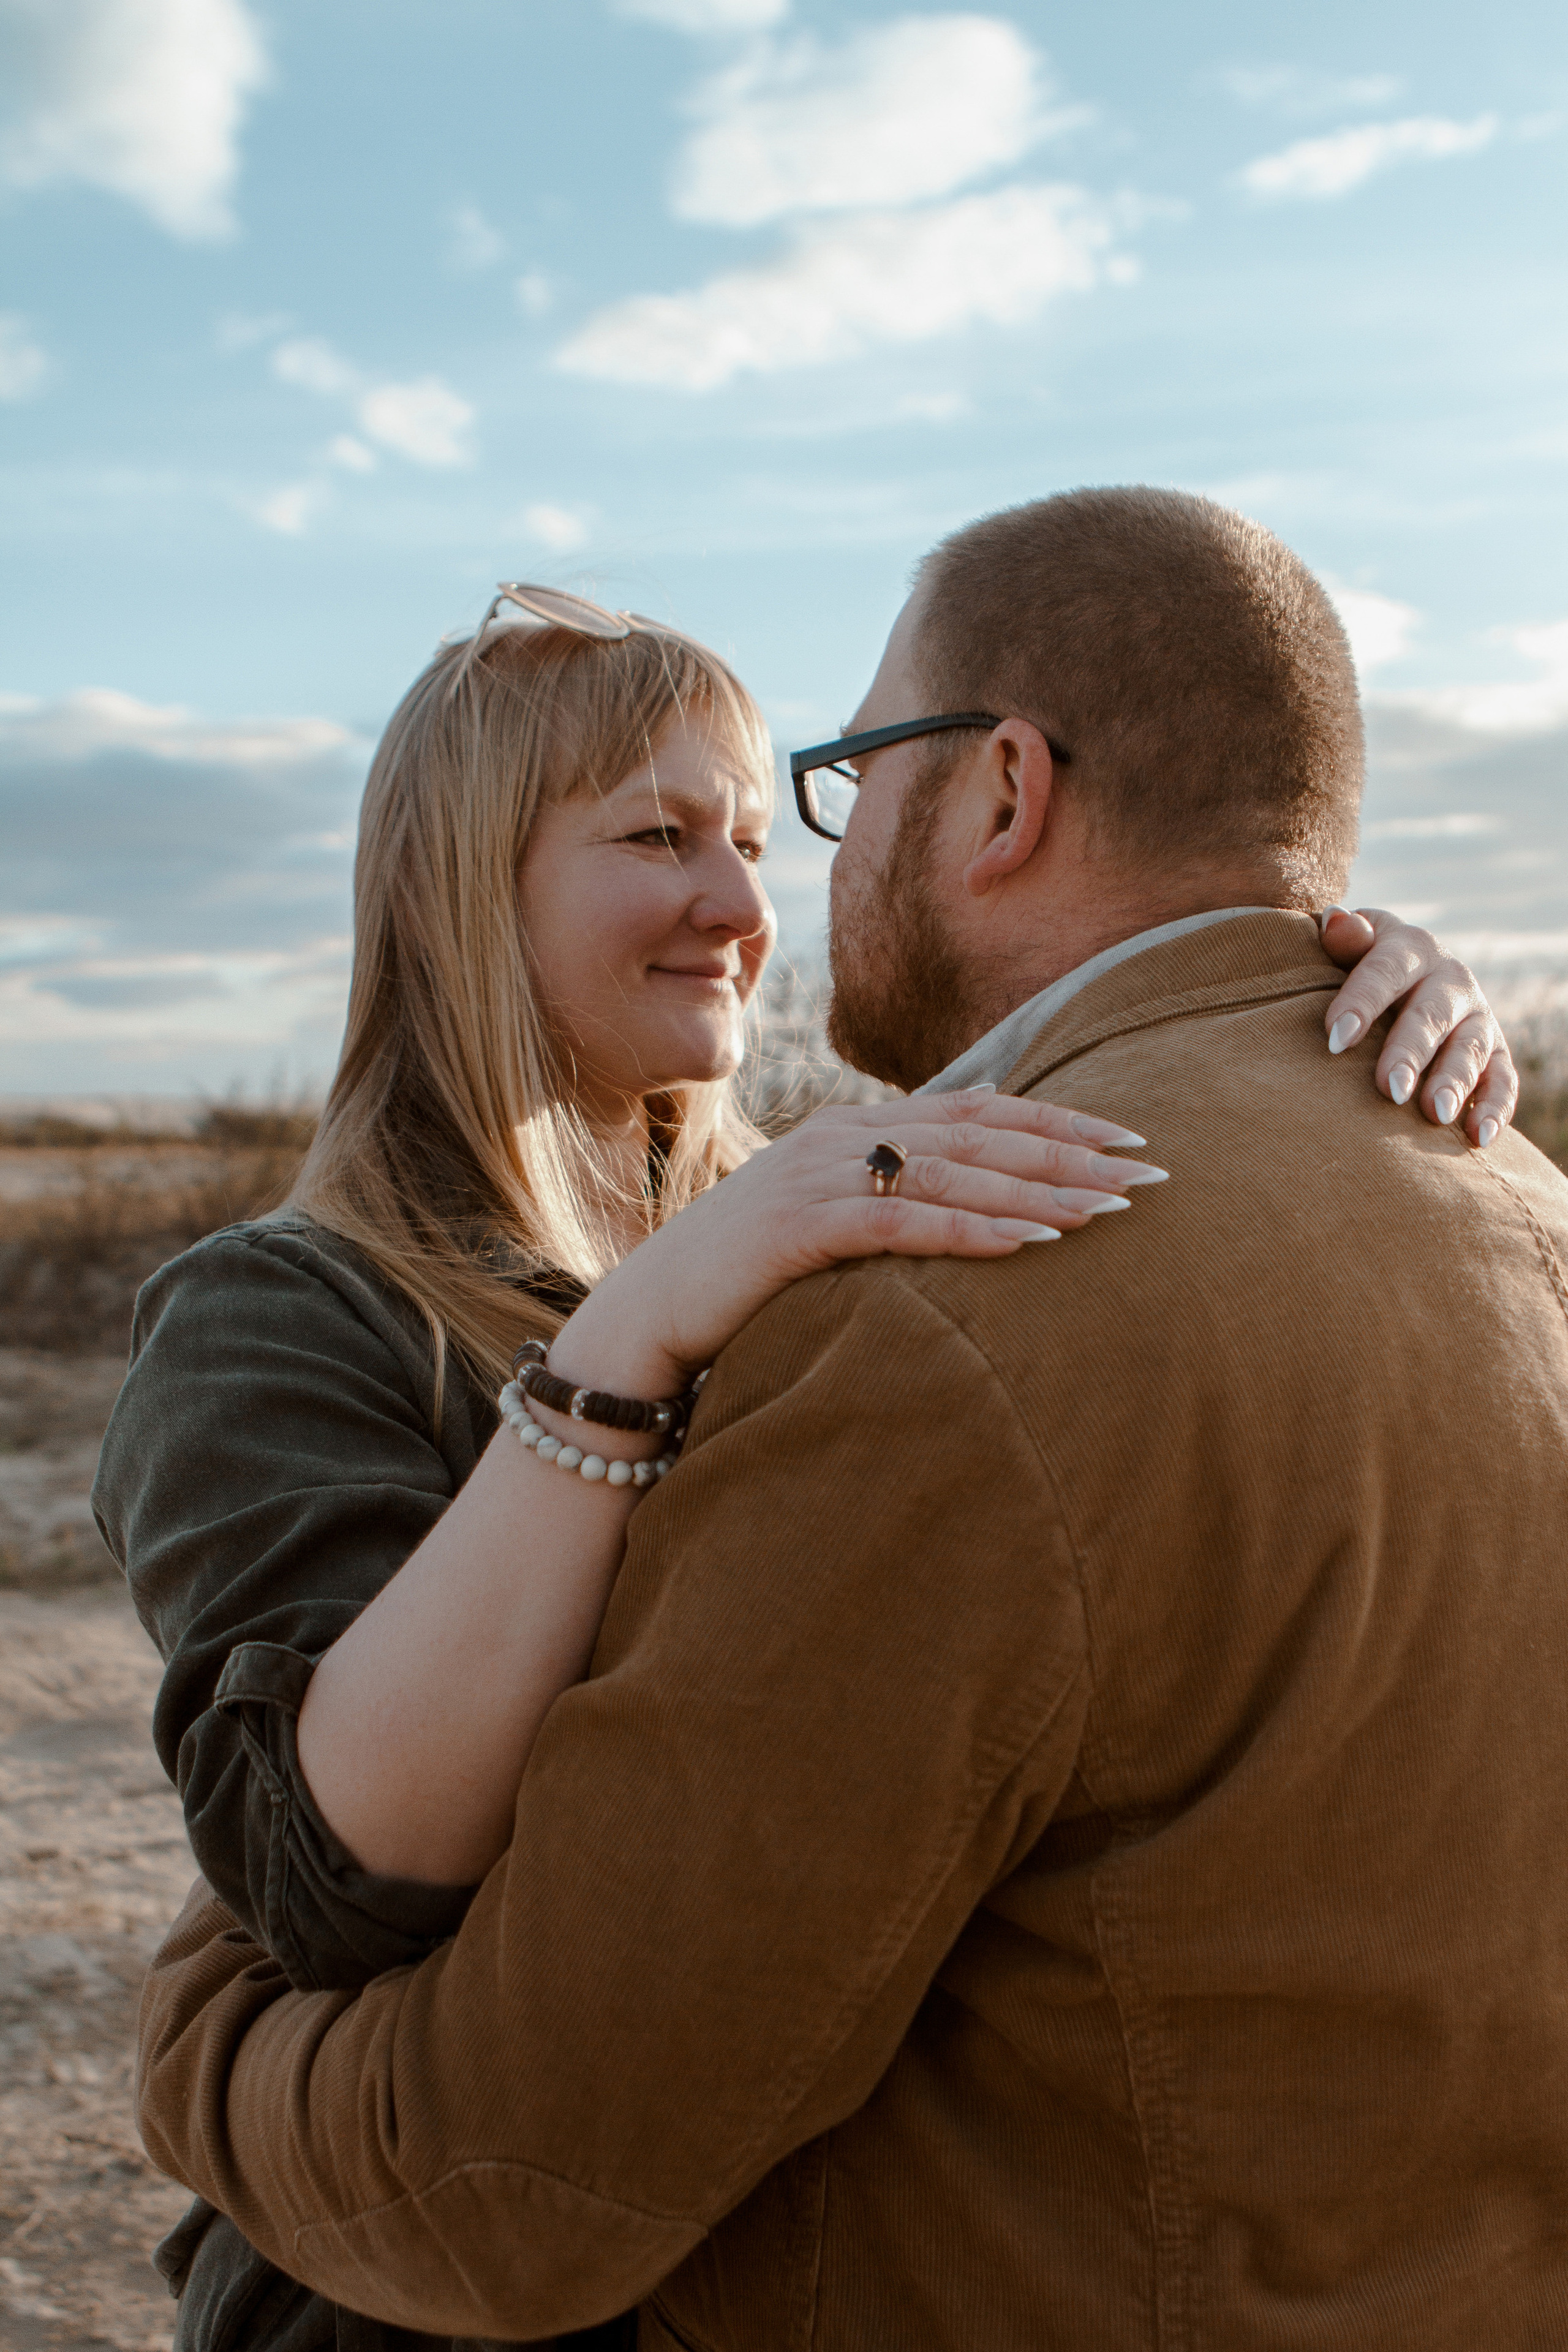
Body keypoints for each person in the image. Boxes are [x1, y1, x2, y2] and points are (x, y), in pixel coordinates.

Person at [129, 493, 1562, 2351]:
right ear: (458, 885)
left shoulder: (870, 1227)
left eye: (753, 830)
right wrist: (636, 1328)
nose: (745, 903)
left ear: (1003, 795)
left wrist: (1297, 993)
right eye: (662, 838)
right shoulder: (286, 1312)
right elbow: (325, 1878)